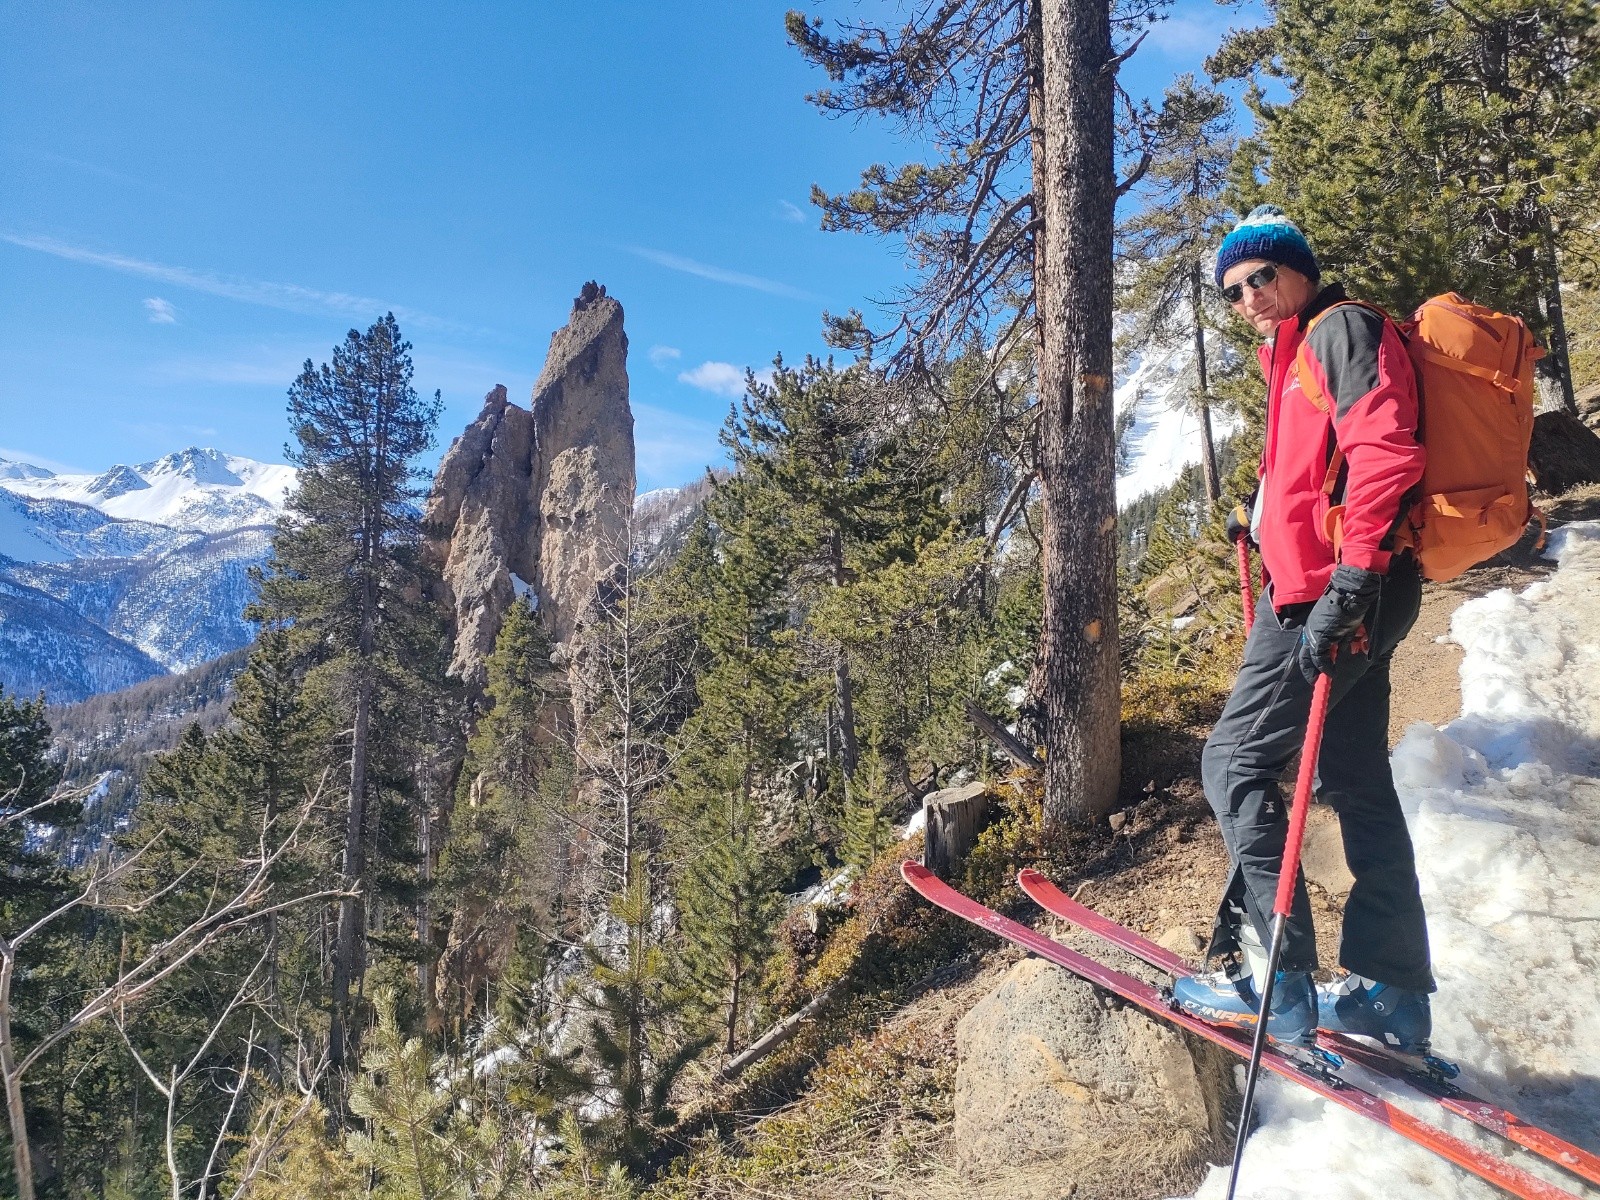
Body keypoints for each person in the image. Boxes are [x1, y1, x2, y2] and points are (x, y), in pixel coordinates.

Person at [1170, 206, 1435, 1053]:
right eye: (1233, 289)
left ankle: (1272, 977)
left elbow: (1387, 448)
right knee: (1354, 776)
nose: (1248, 296)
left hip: (1331, 598)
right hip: (1340, 589)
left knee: (1233, 760)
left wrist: (1350, 579)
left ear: (1297, 270)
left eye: (1261, 277)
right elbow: (1320, 467)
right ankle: (1390, 991)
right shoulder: (1290, 357)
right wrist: (1262, 520)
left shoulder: (1338, 330)